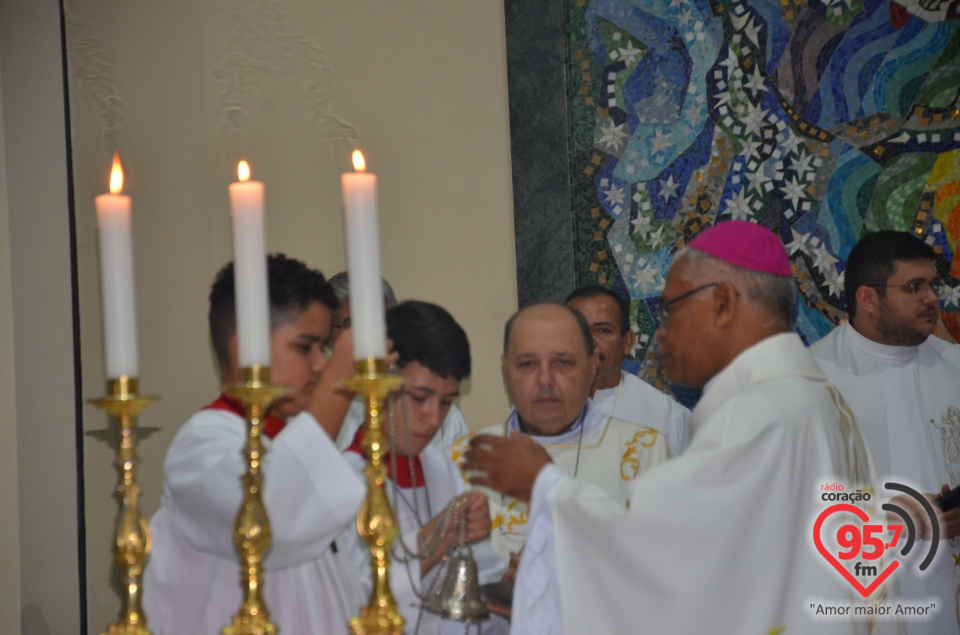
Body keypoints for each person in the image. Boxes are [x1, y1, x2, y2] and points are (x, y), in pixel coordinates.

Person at [464, 220, 876, 634]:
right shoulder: (816, 400)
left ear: (722, 303)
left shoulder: (752, 417)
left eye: (670, 309)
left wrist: (544, 486)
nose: (660, 333)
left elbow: (663, 560)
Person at [144, 254, 365, 634]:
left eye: (325, 348)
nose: (319, 365)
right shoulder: (200, 449)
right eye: (305, 347)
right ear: (244, 351)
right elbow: (275, 511)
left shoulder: (290, 441)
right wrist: (341, 376)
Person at [810, 230, 960, 635]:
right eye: (915, 287)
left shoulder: (956, 368)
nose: (932, 298)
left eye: (933, 284)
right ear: (868, 298)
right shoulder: (810, 382)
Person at [451, 303, 670, 570]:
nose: (545, 379)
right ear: (506, 370)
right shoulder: (463, 457)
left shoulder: (643, 451)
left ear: (592, 366)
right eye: (527, 364)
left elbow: (660, 568)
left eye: (563, 362)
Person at [345, 300, 506, 634]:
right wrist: (434, 541)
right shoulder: (341, 478)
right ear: (379, 383)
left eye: (447, 401)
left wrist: (509, 581)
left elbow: (476, 576)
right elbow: (342, 600)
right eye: (419, 397)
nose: (434, 418)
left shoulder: (441, 470)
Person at [329, 272, 469, 451]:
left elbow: (460, 474)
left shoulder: (435, 411)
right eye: (351, 325)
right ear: (327, 335)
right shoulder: (311, 411)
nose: (368, 339)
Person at [565, 285, 691, 453]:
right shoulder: (535, 413)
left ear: (627, 342)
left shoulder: (668, 418)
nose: (589, 342)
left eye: (603, 330)